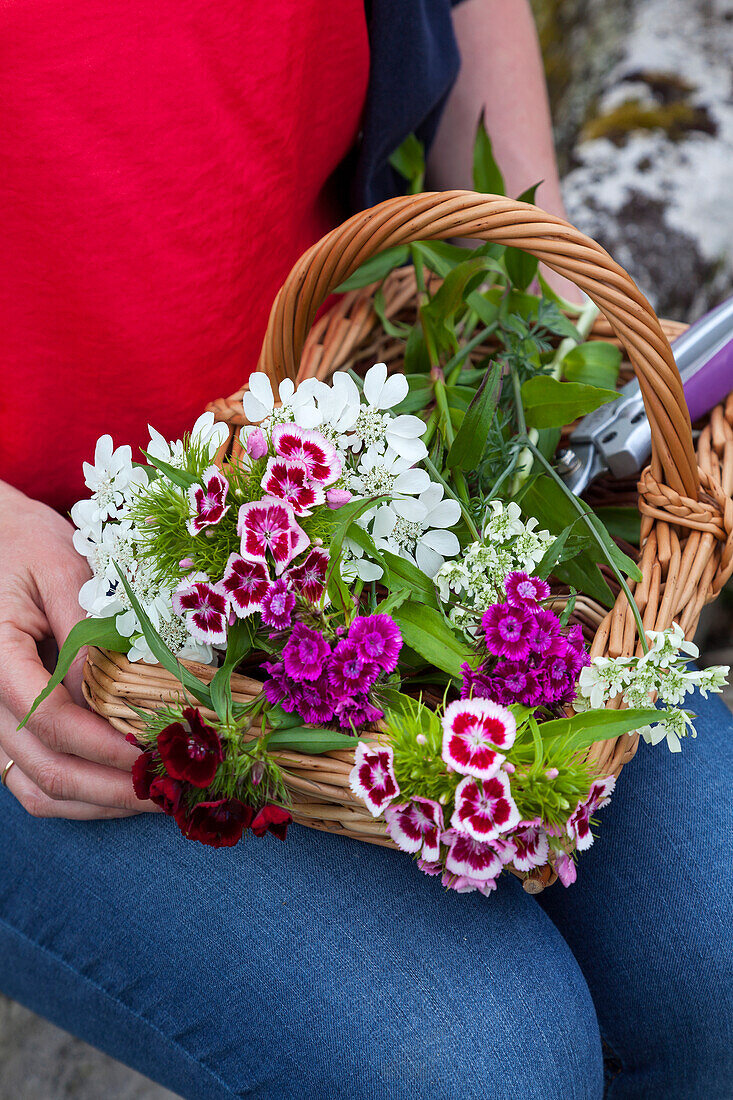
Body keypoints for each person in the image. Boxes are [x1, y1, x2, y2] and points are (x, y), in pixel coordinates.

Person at [0, 2, 730, 1097]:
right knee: (478, 1063)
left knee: (712, 939)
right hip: (54, 601)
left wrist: (532, 268)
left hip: (359, 418)